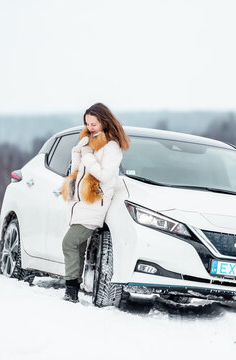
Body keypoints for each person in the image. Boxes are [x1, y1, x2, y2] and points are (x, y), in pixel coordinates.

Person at [61, 103, 130, 303]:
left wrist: (88, 155)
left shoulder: (111, 146)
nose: (90, 127)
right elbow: (77, 172)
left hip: (94, 202)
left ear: (104, 121)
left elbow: (106, 175)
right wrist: (81, 151)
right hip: (79, 203)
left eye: (94, 123)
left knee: (69, 242)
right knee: (78, 247)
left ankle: (71, 290)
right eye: (87, 123)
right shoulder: (88, 141)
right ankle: (73, 290)